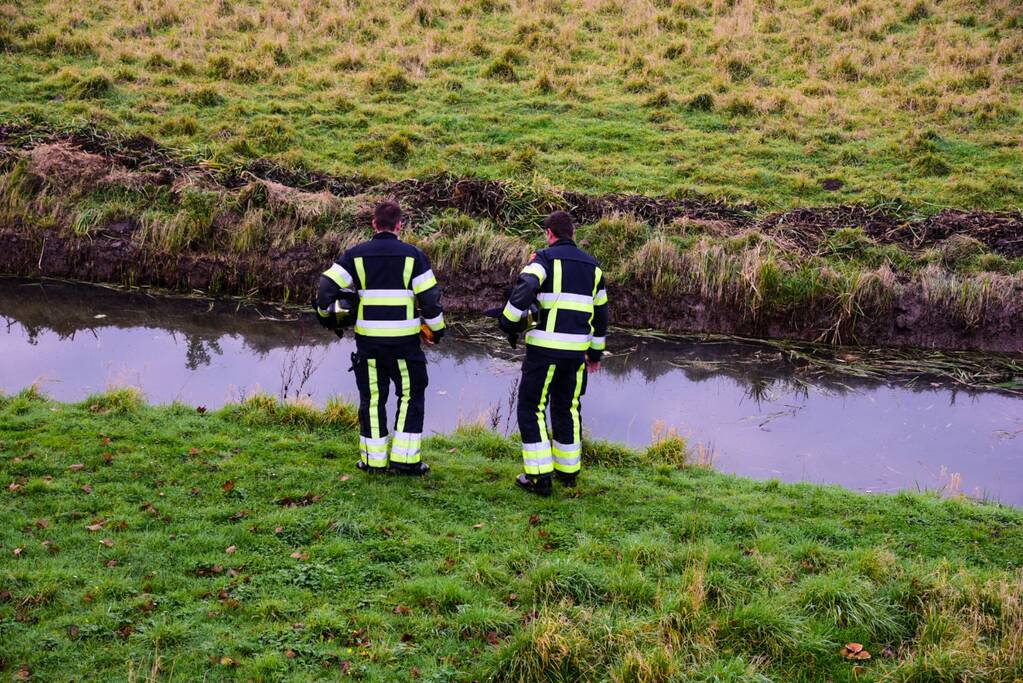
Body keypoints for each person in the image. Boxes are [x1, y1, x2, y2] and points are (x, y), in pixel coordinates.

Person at [315, 201, 445, 475]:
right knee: (410, 396)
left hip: (369, 343)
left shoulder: (355, 255)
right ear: (400, 225)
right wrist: (437, 330)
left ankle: (373, 462)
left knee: (372, 399)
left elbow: (326, 286)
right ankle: (406, 462)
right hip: (405, 344)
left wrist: (329, 316)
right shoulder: (414, 256)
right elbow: (430, 300)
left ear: (373, 224)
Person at [497, 211, 608, 496]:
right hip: (576, 355)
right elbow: (601, 314)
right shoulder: (594, 267)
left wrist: (508, 321)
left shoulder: (543, 259)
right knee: (568, 408)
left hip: (544, 351)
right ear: (573, 233)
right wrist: (595, 354)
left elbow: (526, 286)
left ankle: (538, 477)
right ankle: (568, 471)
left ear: (549, 233)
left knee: (531, 407)